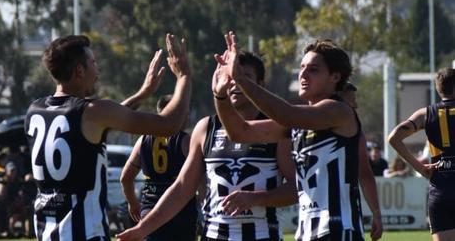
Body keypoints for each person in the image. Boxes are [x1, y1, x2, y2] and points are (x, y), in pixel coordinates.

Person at [24, 34, 191, 240]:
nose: (97, 71)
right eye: (93, 63)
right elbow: (169, 124)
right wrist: (184, 76)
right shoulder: (93, 111)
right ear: (79, 71)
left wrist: (142, 94)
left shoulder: (35, 111)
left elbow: (97, 124)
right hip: (85, 234)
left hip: (47, 232)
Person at [118, 51, 297, 241]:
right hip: (213, 236)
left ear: (260, 85)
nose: (235, 82)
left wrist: (257, 199)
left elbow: (298, 188)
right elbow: (181, 188)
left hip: (262, 236)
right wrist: (142, 229)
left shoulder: (276, 130)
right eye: (230, 76)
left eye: (245, 77)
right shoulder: (206, 128)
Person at [212, 33, 369, 241]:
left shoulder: (338, 110)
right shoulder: (299, 123)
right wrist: (220, 95)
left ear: (335, 77)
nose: (303, 75)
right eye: (302, 67)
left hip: (338, 231)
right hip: (306, 233)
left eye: (313, 70)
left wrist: (241, 79)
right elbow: (239, 132)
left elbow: (287, 113)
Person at [388, 67, 455, 240]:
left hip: (440, 193)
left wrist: (419, 167)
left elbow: (393, 138)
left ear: (439, 89)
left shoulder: (425, 114)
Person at [119, 94, 197, 241]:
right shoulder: (186, 141)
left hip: (149, 212)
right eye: (184, 112)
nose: (187, 117)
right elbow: (200, 178)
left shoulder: (143, 140)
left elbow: (125, 178)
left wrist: (133, 204)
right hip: (180, 213)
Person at [338, 82, 383, 238]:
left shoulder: (305, 123)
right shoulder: (353, 131)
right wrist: (376, 214)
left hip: (310, 225)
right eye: (352, 100)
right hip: (344, 222)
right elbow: (364, 173)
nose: (356, 105)